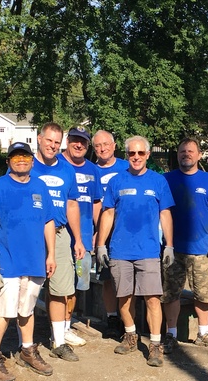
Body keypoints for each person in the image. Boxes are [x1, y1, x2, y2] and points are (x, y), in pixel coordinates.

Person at [96, 136, 174, 367]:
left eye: (141, 153)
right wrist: (101, 244)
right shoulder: (117, 181)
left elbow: (165, 214)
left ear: (148, 155)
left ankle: (155, 345)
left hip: (148, 250)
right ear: (127, 155)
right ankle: (130, 335)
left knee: (153, 298)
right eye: (132, 153)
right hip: (120, 250)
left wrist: (169, 244)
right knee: (124, 296)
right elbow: (108, 213)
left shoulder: (158, 181)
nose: (136, 157)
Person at [0, 142, 56, 381]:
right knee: (5, 311)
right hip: (8, 260)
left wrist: (51, 254)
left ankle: (27, 350)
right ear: (8, 162)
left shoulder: (40, 186)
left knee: (27, 308)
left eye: (25, 156)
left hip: (34, 259)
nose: (21, 160)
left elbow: (48, 221)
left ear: (32, 161)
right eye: (15, 157)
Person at [162, 138, 208, 353]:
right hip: (172, 249)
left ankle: (203, 333)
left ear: (199, 155)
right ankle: (171, 334)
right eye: (182, 151)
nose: (186, 154)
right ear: (177, 154)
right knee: (170, 293)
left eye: (190, 151)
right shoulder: (167, 180)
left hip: (201, 250)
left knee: (204, 293)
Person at [32, 122, 85, 362]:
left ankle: (59, 341)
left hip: (61, 234)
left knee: (60, 289)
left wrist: (78, 239)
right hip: (31, 234)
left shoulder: (66, 170)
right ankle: (22, 343)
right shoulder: (26, 165)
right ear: (39, 139)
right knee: (25, 287)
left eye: (57, 142)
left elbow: (72, 204)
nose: (52, 146)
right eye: (49, 140)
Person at [60, 126, 101, 346]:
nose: (78, 145)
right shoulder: (56, 164)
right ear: (67, 141)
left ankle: (66, 327)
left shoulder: (93, 170)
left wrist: (98, 231)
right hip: (57, 236)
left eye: (83, 142)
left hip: (83, 239)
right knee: (54, 284)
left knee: (75, 285)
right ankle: (54, 326)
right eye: (75, 140)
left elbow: (96, 203)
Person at [92, 130, 129, 338]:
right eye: (98, 145)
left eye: (106, 144)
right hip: (104, 231)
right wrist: (97, 232)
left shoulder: (126, 166)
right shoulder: (91, 171)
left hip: (127, 231)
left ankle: (128, 319)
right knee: (107, 277)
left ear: (114, 146)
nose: (103, 148)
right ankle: (112, 317)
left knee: (129, 275)